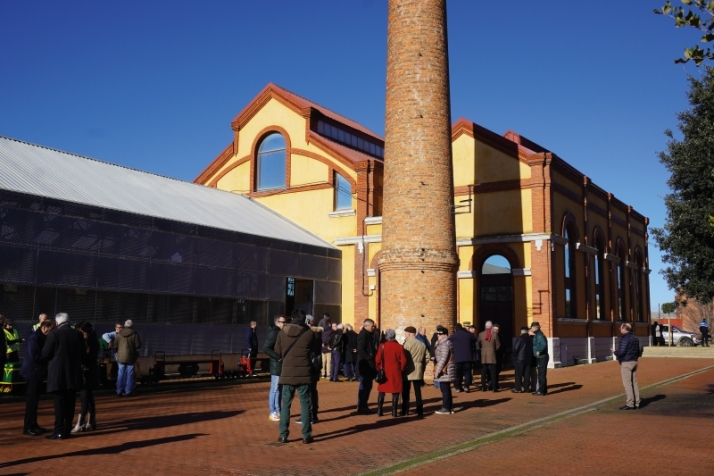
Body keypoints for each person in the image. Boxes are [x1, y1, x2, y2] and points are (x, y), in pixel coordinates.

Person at [275, 309, 319, 444]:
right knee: (305, 404)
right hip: (304, 373)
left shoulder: (283, 332)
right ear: (304, 319)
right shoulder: (308, 333)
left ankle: (283, 435)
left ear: (292, 318)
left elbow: (277, 350)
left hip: (287, 373)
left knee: (286, 405)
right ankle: (306, 435)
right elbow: (315, 350)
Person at [41, 312, 84, 439]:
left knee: (59, 403)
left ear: (57, 322)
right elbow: (82, 353)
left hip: (58, 373)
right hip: (73, 373)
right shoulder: (77, 334)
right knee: (70, 402)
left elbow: (45, 354)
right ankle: (67, 428)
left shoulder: (54, 334)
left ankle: (59, 429)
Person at [21, 319, 53, 436]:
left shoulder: (39, 337)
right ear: (44, 328)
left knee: (34, 401)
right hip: (32, 373)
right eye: (50, 330)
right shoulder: (34, 338)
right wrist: (48, 356)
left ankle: (33, 424)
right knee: (32, 401)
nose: (50, 332)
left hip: (36, 373)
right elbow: (35, 356)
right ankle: (28, 426)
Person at [72, 321, 100, 432]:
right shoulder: (91, 340)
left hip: (86, 373)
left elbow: (88, 358)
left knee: (84, 397)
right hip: (89, 372)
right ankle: (91, 421)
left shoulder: (89, 342)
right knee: (88, 397)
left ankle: (81, 422)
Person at [375, 329, 407, 417]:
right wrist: (401, 369)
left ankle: (379, 410)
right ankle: (394, 411)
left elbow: (377, 359)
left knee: (381, 391)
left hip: (384, 370)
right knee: (396, 391)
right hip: (395, 372)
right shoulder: (399, 347)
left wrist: (378, 368)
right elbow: (403, 361)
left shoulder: (382, 346)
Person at [296, 314, 322, 425]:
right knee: (313, 390)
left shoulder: (310, 334)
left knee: (308, 391)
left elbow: (307, 349)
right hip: (315, 364)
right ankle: (313, 414)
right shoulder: (317, 333)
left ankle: (309, 415)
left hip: (310, 364)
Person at [401, 326, 430, 417]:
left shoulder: (406, 344)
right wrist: (421, 364)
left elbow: (403, 357)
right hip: (418, 369)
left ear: (409, 334)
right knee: (418, 391)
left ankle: (405, 410)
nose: (405, 335)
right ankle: (419, 410)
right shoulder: (421, 344)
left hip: (408, 369)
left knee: (406, 391)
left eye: (405, 333)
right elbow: (427, 357)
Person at [263, 315, 287, 422]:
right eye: (283, 322)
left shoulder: (280, 332)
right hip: (276, 364)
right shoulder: (274, 333)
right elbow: (266, 348)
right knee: (275, 388)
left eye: (285, 322)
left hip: (279, 364)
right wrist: (278, 358)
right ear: (277, 322)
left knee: (279, 389)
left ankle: (278, 411)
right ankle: (272, 411)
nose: (284, 324)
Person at [612, 322, 640, 410]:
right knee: (634, 383)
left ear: (624, 329)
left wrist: (615, 352)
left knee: (627, 384)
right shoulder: (635, 338)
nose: (620, 329)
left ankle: (630, 403)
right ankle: (637, 402)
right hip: (634, 361)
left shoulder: (624, 339)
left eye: (621, 328)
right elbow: (638, 351)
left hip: (626, 362)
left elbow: (622, 352)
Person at [115, 319, 142, 397]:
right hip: (131, 356)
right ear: (132, 326)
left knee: (120, 374)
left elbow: (115, 345)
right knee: (130, 374)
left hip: (120, 357)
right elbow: (138, 345)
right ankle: (128, 391)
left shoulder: (119, 334)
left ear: (125, 325)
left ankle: (119, 391)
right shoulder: (134, 334)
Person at [356, 318, 378, 413]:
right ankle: (362, 406)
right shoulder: (363, 335)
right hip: (365, 365)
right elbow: (360, 349)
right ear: (366, 326)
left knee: (367, 386)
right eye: (371, 326)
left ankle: (363, 405)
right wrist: (369, 357)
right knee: (365, 386)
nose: (373, 328)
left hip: (368, 365)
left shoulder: (370, 335)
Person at [433, 325, 455, 414]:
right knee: (446, 388)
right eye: (437, 333)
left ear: (445, 335)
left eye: (440, 334)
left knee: (444, 388)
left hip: (445, 370)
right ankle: (449, 407)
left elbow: (443, 358)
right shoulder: (444, 342)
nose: (438, 335)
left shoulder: (445, 344)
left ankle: (446, 407)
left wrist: (437, 370)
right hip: (446, 369)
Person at [449, 323, 476, 393]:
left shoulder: (453, 336)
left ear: (455, 329)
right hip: (467, 357)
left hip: (457, 358)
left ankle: (458, 387)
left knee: (458, 374)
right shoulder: (468, 335)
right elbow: (475, 339)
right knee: (467, 373)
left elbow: (449, 342)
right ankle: (466, 386)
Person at [478, 321, 500, 392]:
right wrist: (493, 350)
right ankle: (494, 387)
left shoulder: (481, 334)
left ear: (485, 326)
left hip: (484, 354)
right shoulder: (494, 334)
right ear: (491, 327)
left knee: (483, 372)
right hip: (492, 354)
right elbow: (498, 345)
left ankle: (483, 387)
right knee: (493, 372)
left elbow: (479, 344)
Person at [512, 327, 533, 393]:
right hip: (528, 359)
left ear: (521, 331)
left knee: (518, 374)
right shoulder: (530, 339)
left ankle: (518, 388)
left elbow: (515, 348)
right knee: (527, 374)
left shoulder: (520, 338)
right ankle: (526, 388)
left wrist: (515, 356)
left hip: (520, 359)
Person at [531, 322, 548, 396]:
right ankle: (543, 390)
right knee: (542, 374)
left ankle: (541, 391)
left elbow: (543, 344)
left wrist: (539, 351)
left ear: (535, 327)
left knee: (541, 375)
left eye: (532, 327)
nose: (531, 329)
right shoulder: (538, 334)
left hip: (541, 357)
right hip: (542, 357)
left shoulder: (539, 335)